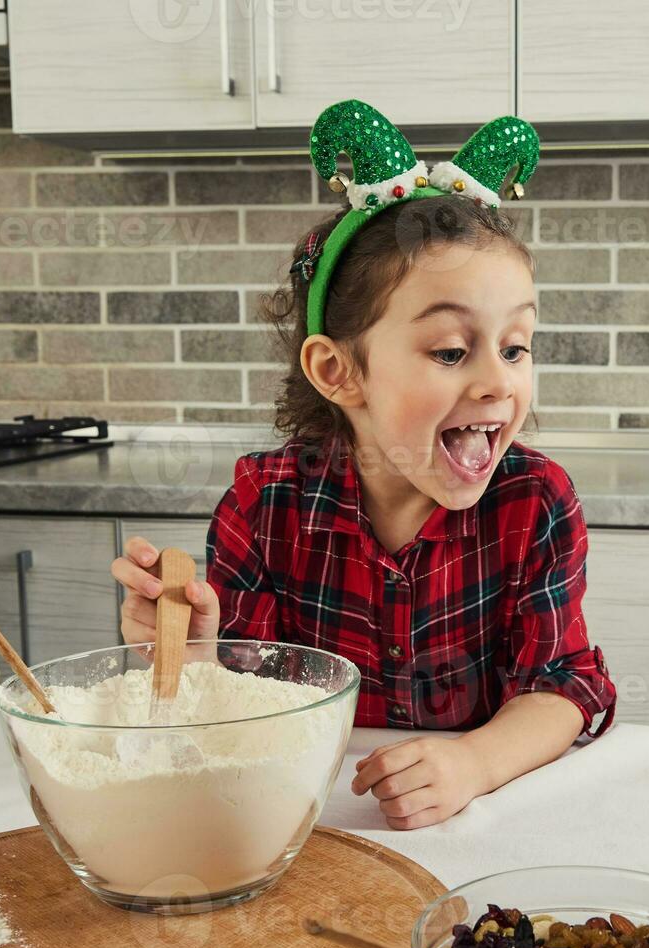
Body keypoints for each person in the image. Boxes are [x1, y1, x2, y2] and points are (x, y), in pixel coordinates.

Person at [109, 100, 616, 831]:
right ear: (339, 371)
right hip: (314, 826)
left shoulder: (535, 502)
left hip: (479, 823)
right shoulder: (265, 502)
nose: (499, 382)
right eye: (450, 351)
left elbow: (564, 686)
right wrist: (195, 656)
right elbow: (237, 712)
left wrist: (473, 763)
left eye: (515, 346)